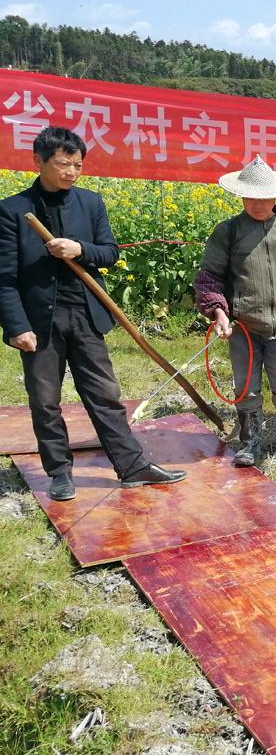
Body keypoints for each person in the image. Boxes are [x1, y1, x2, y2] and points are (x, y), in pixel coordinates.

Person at [0, 126, 185, 500]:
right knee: (45, 400)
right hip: (40, 323)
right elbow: (4, 278)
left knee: (104, 394)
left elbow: (110, 253)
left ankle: (131, 466)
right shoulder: (13, 210)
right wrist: (17, 326)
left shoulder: (90, 202)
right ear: (38, 162)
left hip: (85, 314)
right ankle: (59, 472)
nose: (71, 172)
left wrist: (78, 248)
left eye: (78, 165)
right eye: (63, 164)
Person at [193, 157, 276, 469]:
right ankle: (251, 443)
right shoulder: (229, 231)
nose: (258, 204)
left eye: (264, 198)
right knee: (246, 389)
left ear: (275, 197)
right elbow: (209, 277)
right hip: (245, 329)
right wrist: (219, 312)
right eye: (251, 197)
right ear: (241, 196)